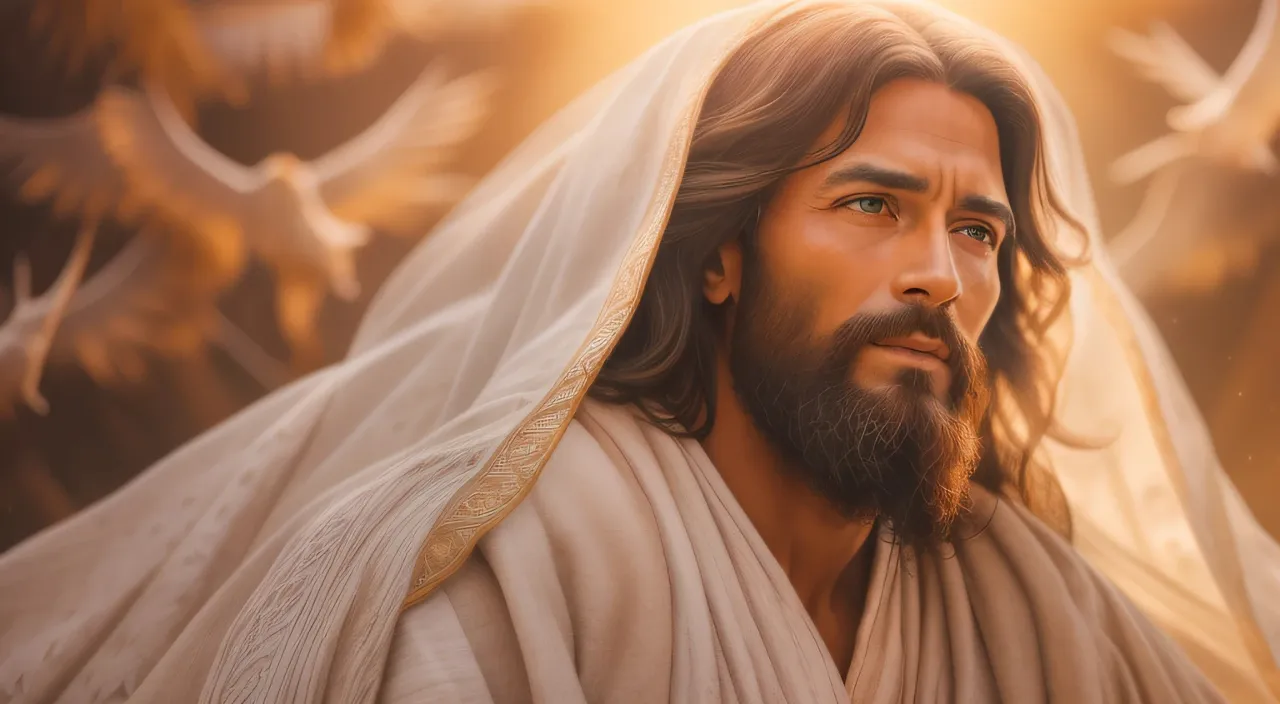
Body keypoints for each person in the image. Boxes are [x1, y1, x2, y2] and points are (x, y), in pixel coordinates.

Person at [1, 1, 1277, 702]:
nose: (937, 275)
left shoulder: (1018, 599)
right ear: (716, 250)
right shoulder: (529, 561)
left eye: (978, 229)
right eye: (870, 205)